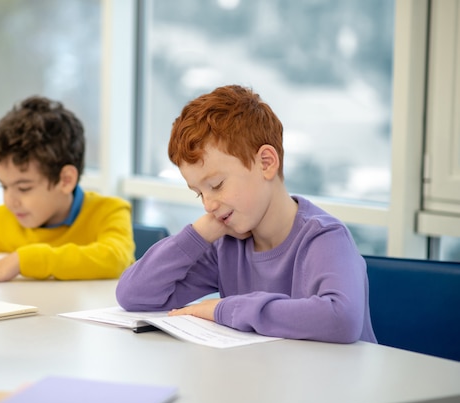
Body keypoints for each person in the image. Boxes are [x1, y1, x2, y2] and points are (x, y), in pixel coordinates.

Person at [116, 85, 377, 344]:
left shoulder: (324, 238)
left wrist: (223, 309)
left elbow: (341, 320)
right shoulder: (226, 245)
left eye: (216, 185)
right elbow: (134, 295)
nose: (208, 205)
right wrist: (199, 233)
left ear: (266, 163)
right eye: (199, 193)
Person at [0, 96, 134, 283]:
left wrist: (24, 259)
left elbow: (115, 258)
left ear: (66, 180)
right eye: (4, 186)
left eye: (23, 188)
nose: (9, 201)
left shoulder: (109, 212)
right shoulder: (8, 220)